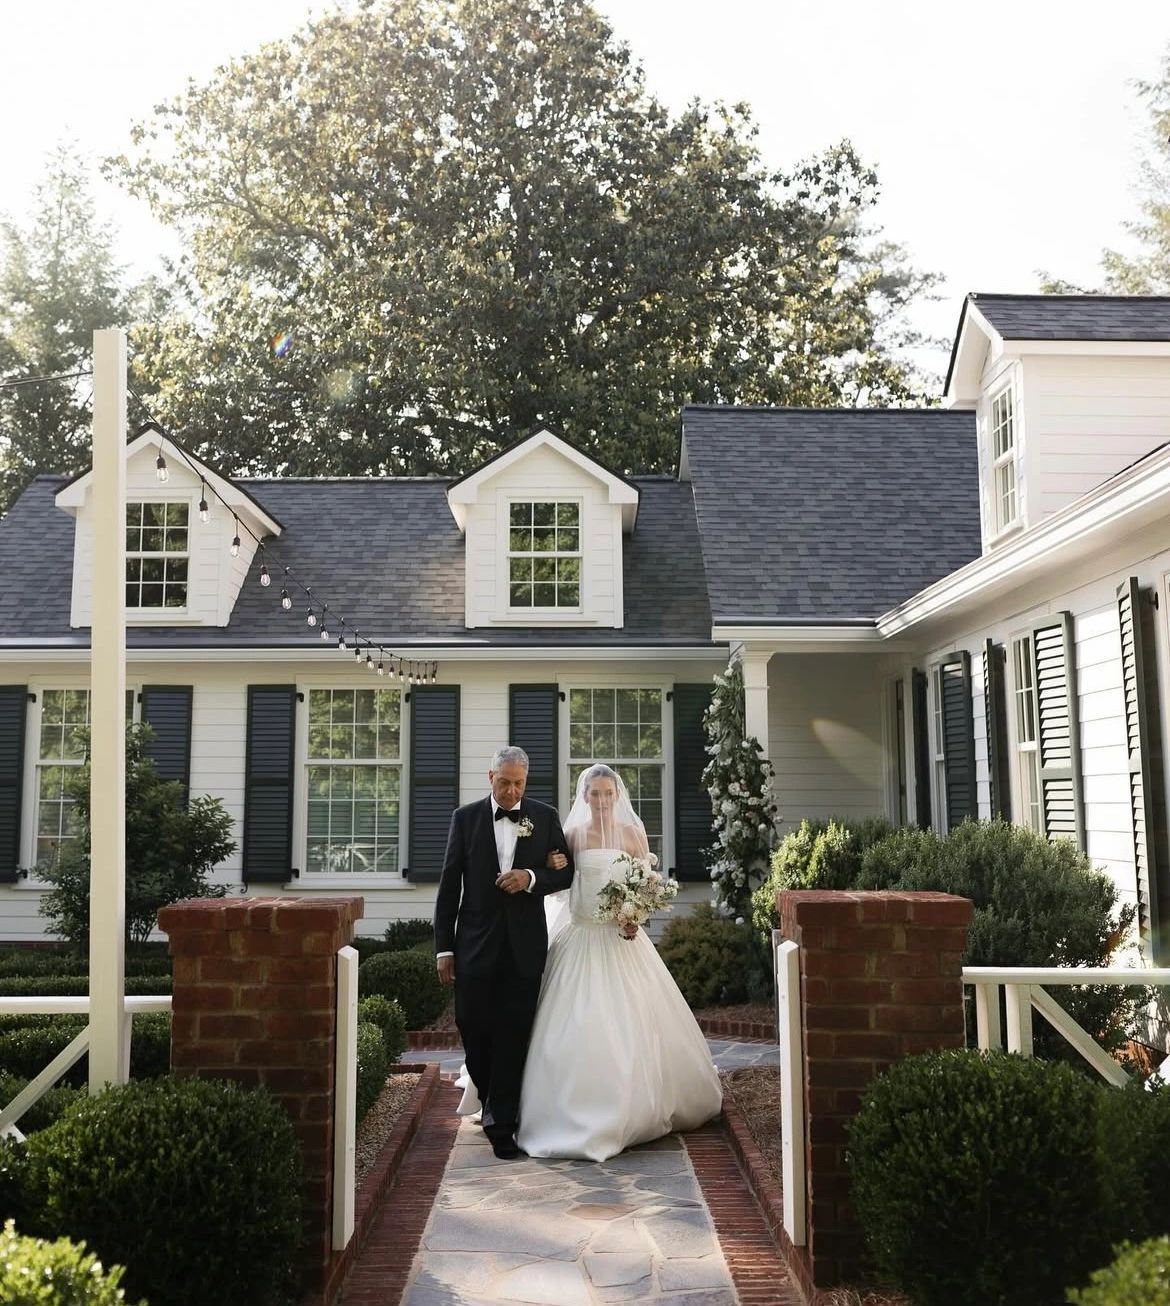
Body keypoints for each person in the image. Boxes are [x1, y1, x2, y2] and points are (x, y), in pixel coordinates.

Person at [515, 763, 723, 1162]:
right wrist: (554, 866)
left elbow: (645, 883)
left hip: (621, 936)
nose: (602, 800)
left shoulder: (632, 833)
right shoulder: (572, 834)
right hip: (579, 936)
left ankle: (634, 1107)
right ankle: (569, 1111)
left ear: (617, 795)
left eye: (608, 793)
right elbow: (558, 880)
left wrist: (635, 916)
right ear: (585, 797)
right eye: (595, 794)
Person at [433, 745, 573, 1160]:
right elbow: (448, 887)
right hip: (473, 945)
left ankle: (501, 1123)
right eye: (505, 782)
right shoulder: (465, 819)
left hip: (524, 946)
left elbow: (566, 871)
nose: (513, 791)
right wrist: (444, 948)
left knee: (513, 1033)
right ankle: (491, 1096)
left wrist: (530, 876)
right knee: (472, 1026)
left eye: (519, 784)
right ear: (490, 777)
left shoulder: (544, 817)